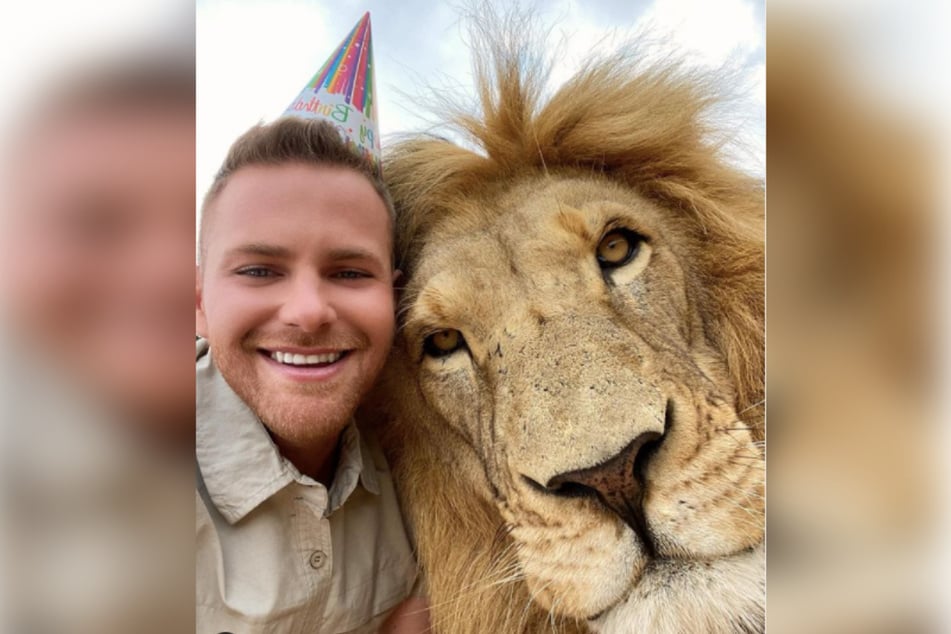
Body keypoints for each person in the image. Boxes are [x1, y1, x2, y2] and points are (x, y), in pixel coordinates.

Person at [195, 116, 428, 633]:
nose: (308, 312)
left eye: (349, 273)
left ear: (395, 299)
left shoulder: (414, 456)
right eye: (259, 271)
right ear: (196, 303)